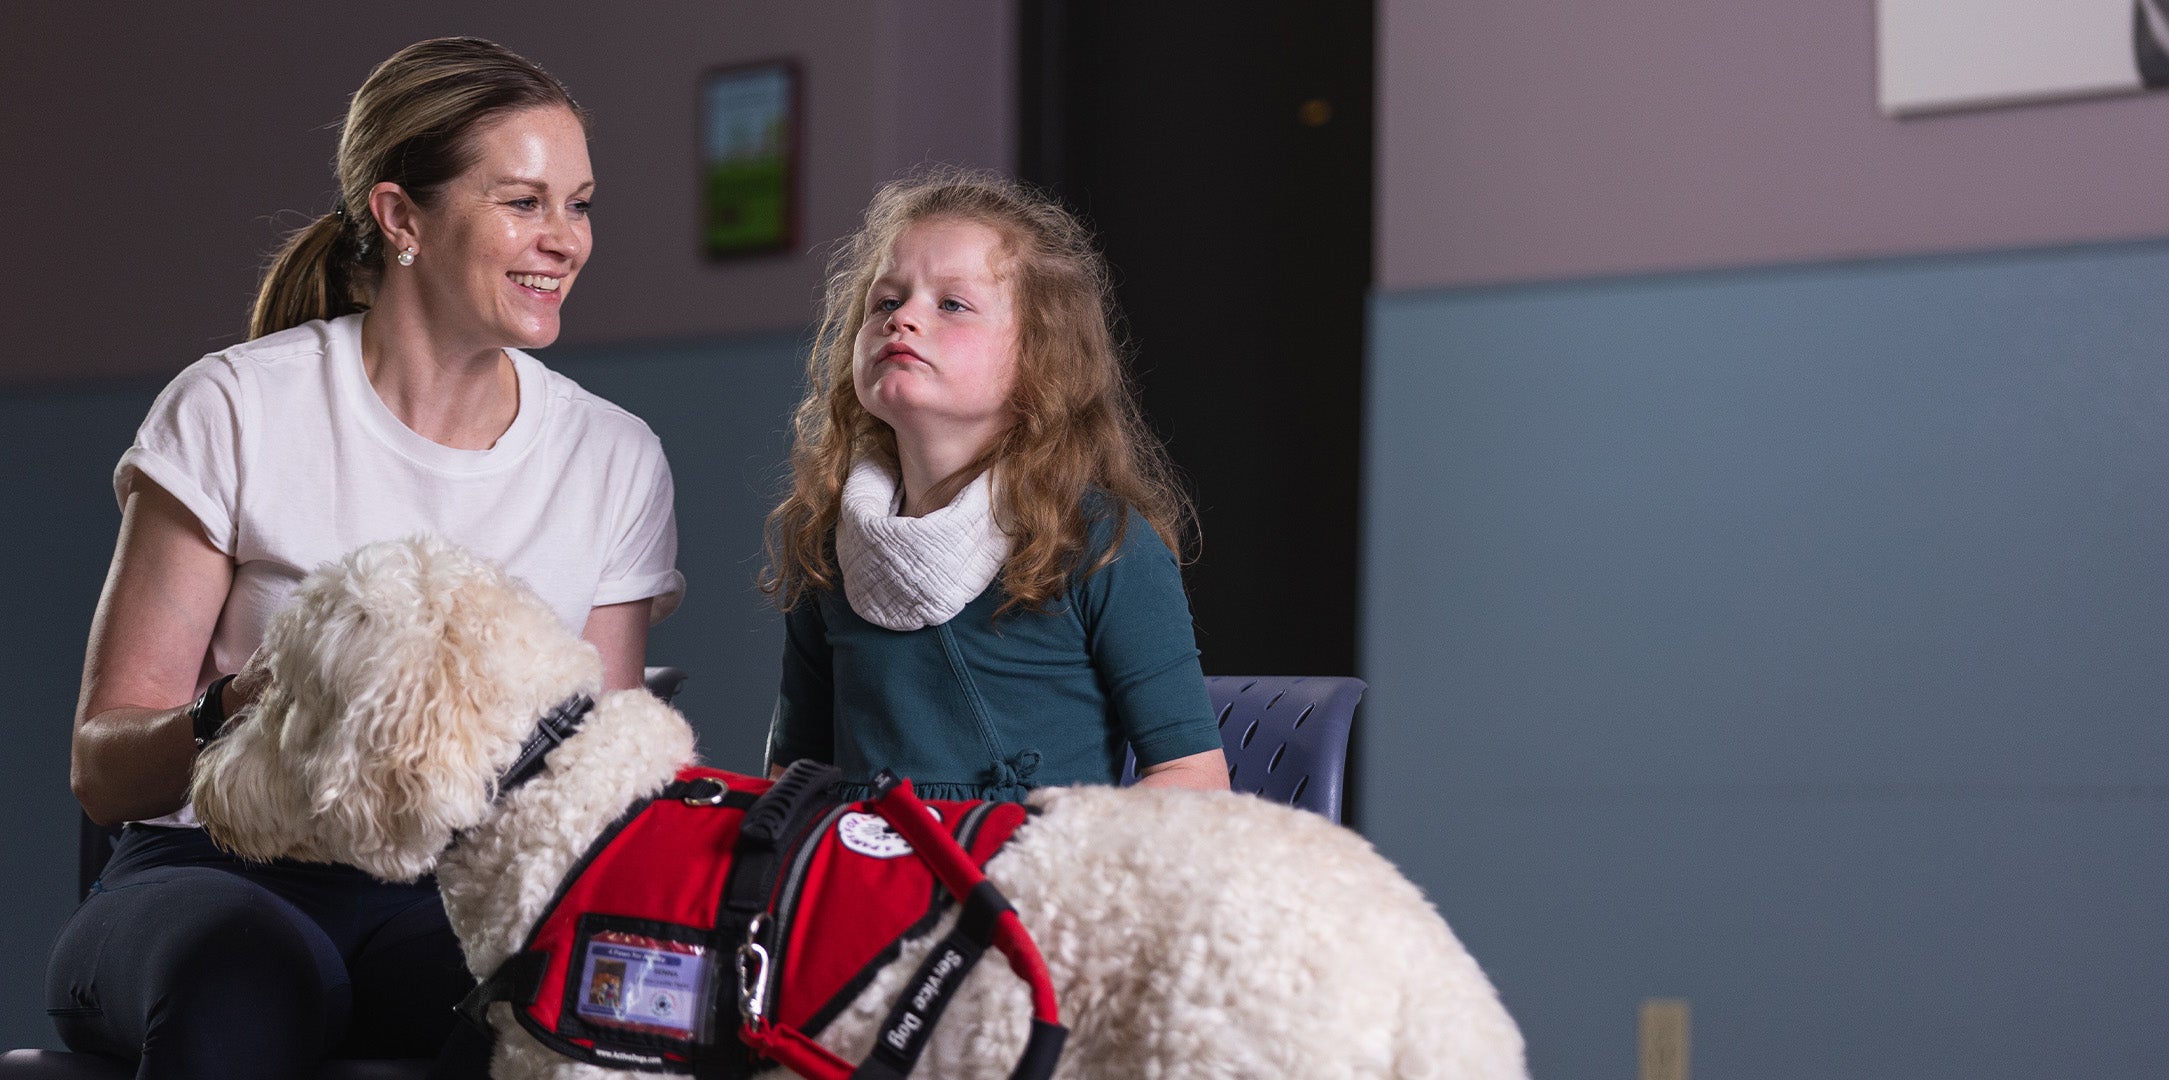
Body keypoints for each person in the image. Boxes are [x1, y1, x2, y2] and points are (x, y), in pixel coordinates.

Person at [47, 38, 683, 1079]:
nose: (565, 239)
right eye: (523, 202)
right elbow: (101, 770)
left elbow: (597, 791)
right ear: (400, 218)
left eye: (579, 204)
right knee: (241, 987)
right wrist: (255, 702)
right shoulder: (235, 407)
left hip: (453, 887)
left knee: (549, 1001)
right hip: (210, 870)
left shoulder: (613, 457)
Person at [762, 170, 1229, 802]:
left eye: (951, 304)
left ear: (1039, 358)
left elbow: (1193, 780)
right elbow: (791, 779)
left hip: (1034, 863)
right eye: (886, 301)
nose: (904, 319)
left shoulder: (1103, 543)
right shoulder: (825, 545)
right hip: (861, 863)